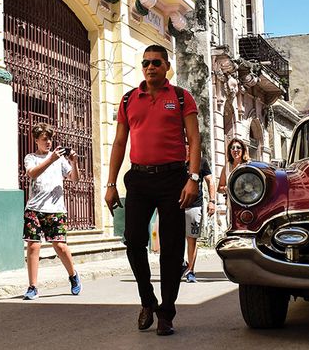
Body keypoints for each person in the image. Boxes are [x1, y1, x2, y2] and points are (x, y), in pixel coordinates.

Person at [105, 45, 201, 337]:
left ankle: (166, 312)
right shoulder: (128, 99)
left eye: (156, 62)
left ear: (166, 66)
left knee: (171, 249)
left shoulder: (181, 98)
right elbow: (120, 143)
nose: (150, 67)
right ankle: (147, 301)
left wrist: (193, 178)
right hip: (140, 179)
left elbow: (195, 139)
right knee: (134, 240)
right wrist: (111, 184)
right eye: (145, 63)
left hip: (173, 178)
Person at [22, 122, 82, 300]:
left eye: (49, 139)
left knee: (60, 247)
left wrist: (74, 162)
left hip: (55, 210)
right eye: (44, 140)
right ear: (36, 141)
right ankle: (32, 286)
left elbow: (74, 179)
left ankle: (73, 276)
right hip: (34, 208)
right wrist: (51, 159)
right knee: (33, 246)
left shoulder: (60, 159)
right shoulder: (31, 157)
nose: (48, 143)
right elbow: (32, 174)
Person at [182, 143, 214, 283]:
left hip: (194, 206)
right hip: (176, 206)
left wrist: (212, 201)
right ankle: (182, 265)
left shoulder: (202, 161)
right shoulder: (175, 162)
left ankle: (191, 271)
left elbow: (210, 181)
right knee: (174, 239)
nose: (186, 147)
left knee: (191, 238)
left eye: (189, 145)